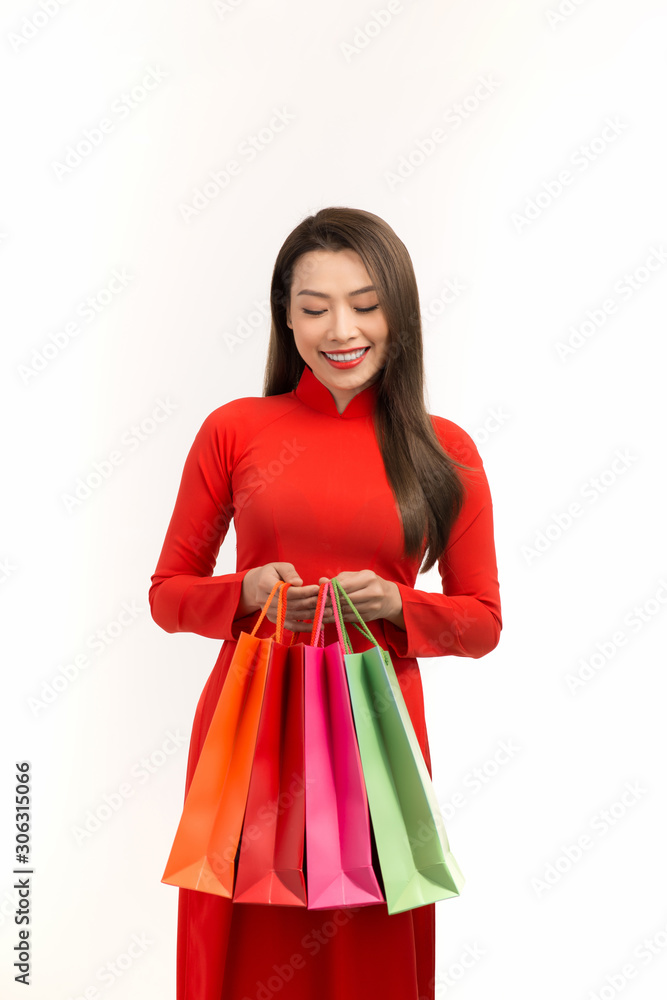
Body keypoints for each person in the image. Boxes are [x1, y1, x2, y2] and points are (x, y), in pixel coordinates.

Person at [149, 206, 502, 1000]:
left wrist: (399, 604)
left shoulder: (444, 449)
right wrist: (244, 591)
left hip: (377, 742)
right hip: (249, 737)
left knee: (368, 950)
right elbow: (168, 596)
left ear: (399, 311)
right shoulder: (234, 431)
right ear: (285, 315)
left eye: (365, 304)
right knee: (240, 946)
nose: (340, 328)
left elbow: (481, 619)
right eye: (313, 308)